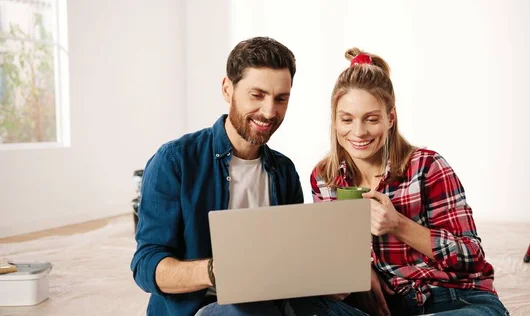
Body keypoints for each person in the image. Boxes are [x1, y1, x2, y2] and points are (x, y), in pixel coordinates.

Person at [130, 37, 366, 316]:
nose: (269, 111)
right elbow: (145, 266)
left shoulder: (284, 171)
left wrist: (323, 279)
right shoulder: (175, 161)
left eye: (281, 98)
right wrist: (214, 270)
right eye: (257, 95)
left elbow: (291, 260)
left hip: (273, 301)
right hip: (203, 307)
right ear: (228, 90)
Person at [310, 48, 509, 316]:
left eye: (371, 119)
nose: (358, 132)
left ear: (390, 118)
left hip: (452, 298)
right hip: (385, 307)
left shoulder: (427, 166)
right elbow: (333, 253)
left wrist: (399, 224)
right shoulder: (325, 178)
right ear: (334, 120)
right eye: (347, 119)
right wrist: (360, 268)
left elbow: (471, 255)